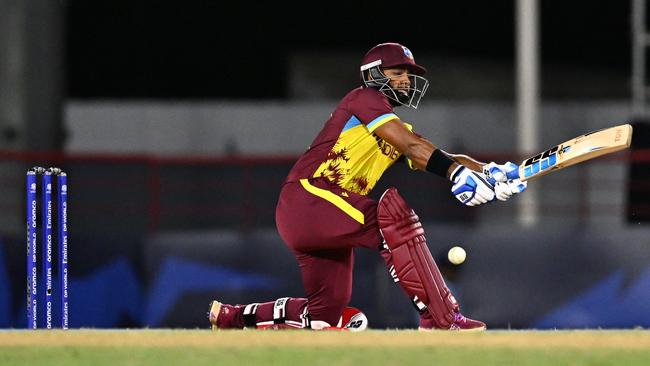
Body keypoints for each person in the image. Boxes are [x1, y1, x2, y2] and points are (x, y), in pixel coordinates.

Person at [208, 42, 526, 331]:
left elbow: (434, 154)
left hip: (313, 213)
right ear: (374, 74)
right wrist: (456, 173)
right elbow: (415, 147)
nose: (406, 80)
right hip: (310, 198)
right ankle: (442, 318)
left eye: (409, 75)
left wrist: (489, 171)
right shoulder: (365, 98)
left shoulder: (394, 127)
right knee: (393, 219)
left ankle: (232, 317)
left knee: (323, 318)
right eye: (398, 72)